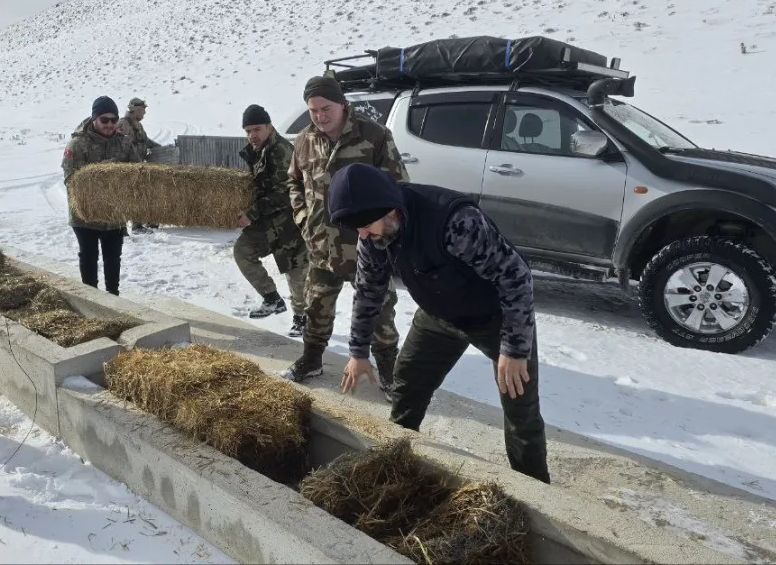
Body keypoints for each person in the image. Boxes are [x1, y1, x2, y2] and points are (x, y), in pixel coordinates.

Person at [328, 162, 550, 484]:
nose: (361, 235)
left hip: (495, 319)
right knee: (408, 382)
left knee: (520, 410)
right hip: (439, 314)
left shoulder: (453, 221)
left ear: (390, 210)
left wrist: (515, 349)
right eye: (355, 229)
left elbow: (515, 276)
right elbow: (368, 292)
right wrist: (358, 351)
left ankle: (538, 496)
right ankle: (396, 461)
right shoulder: (373, 236)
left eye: (364, 225)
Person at [283, 76, 408, 401]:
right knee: (316, 309)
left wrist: (382, 230)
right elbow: (294, 182)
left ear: (342, 104)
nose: (320, 116)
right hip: (321, 247)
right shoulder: (304, 140)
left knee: (380, 312)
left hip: (367, 248)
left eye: (326, 108)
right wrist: (302, 218)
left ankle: (390, 375)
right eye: (313, 110)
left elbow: (398, 188)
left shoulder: (374, 136)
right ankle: (311, 361)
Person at [234, 104, 309, 337]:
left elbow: (285, 193)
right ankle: (272, 298)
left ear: (269, 126)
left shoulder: (281, 151)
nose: (251, 135)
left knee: (296, 272)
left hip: (289, 223)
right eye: (247, 131)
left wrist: (252, 214)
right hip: (267, 223)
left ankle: (302, 318)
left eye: (256, 129)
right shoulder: (258, 151)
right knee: (242, 251)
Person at [62, 95, 138, 295]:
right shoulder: (77, 144)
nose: (110, 124)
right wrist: (102, 175)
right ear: (94, 118)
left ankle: (114, 299)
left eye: (113, 120)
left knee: (113, 259)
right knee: (89, 258)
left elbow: (137, 172)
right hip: (85, 215)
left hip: (114, 216)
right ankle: (93, 300)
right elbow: (71, 180)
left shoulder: (123, 143)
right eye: (104, 120)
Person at [117, 97, 161, 233]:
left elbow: (145, 141)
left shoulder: (137, 124)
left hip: (138, 166)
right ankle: (137, 225)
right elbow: (125, 146)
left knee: (144, 193)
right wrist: (136, 163)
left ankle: (148, 221)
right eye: (143, 110)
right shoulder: (124, 124)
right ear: (135, 109)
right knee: (134, 195)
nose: (144, 113)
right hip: (129, 167)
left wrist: (160, 148)